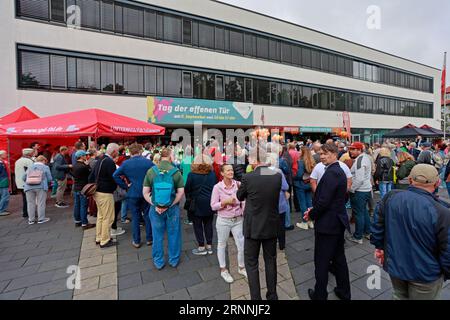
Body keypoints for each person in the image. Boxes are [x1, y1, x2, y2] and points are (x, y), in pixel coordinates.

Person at [371, 164, 450, 300]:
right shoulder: (442, 211)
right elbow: (447, 249)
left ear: (410, 180)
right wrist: (444, 272)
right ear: (437, 183)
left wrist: (379, 247)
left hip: (396, 264)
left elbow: (378, 225)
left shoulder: (390, 197)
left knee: (398, 295)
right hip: (425, 273)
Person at [304, 144, 351, 300]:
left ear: (334, 154)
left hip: (328, 225)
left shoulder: (332, 173)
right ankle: (344, 292)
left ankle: (320, 295)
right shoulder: (337, 171)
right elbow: (341, 197)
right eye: (321, 154)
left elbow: (323, 201)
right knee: (339, 259)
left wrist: (312, 214)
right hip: (336, 221)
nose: (322, 156)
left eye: (325, 154)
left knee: (322, 262)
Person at [237, 147, 281, 300]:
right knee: (270, 260)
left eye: (249, 158)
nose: (248, 160)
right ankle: (272, 295)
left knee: (251, 263)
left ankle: (256, 299)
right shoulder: (276, 175)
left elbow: (240, 197)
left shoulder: (248, 177)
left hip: (253, 226)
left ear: (255, 160)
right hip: (270, 224)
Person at [143, 148, 184, 270]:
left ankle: (158, 261)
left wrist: (156, 205)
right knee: (174, 234)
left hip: (155, 210)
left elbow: (145, 192)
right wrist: (169, 205)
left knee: (157, 235)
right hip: (172, 209)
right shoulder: (176, 172)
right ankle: (174, 259)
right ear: (171, 157)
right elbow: (180, 192)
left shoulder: (151, 171)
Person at [211, 164, 247, 283]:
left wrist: (242, 211)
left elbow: (243, 200)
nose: (231, 172)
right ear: (222, 173)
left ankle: (241, 267)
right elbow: (213, 206)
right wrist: (224, 202)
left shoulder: (238, 184)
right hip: (223, 220)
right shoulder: (217, 187)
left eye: (231, 170)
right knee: (222, 244)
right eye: (228, 170)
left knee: (241, 245)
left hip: (237, 220)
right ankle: (223, 270)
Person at [114, 143, 154, 248]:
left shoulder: (126, 163)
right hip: (146, 192)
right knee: (147, 215)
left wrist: (125, 186)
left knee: (135, 217)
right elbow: (157, 173)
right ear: (140, 151)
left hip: (132, 193)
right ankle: (149, 239)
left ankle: (136, 241)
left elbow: (115, 175)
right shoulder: (148, 162)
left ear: (130, 152)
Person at [185, 154, 217, 255]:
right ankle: (209, 245)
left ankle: (201, 246)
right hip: (209, 202)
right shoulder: (212, 174)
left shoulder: (191, 175)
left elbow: (187, 189)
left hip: (196, 203)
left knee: (197, 225)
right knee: (209, 224)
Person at [89, 143, 119, 248]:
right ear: (114, 151)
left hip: (97, 191)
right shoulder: (109, 162)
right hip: (105, 192)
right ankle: (105, 240)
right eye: (118, 151)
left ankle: (99, 237)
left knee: (101, 216)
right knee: (108, 218)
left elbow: (91, 176)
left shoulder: (100, 159)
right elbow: (114, 177)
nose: (118, 153)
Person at [347, 142, 373, 244]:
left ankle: (358, 237)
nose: (351, 151)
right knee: (364, 212)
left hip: (360, 191)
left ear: (359, 150)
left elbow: (359, 179)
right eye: (350, 149)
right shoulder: (365, 157)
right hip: (365, 189)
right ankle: (367, 232)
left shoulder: (360, 160)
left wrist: (351, 189)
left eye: (353, 149)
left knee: (359, 214)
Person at [23, 156, 53, 224]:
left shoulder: (30, 167)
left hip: (29, 187)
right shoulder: (45, 167)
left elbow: (24, 177)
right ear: (43, 160)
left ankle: (31, 220)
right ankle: (41, 219)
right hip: (41, 187)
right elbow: (49, 179)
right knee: (41, 203)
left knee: (30, 203)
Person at [72, 150, 95, 230]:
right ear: (81, 156)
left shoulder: (74, 165)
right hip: (83, 188)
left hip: (76, 188)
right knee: (83, 206)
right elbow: (91, 173)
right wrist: (88, 165)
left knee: (77, 205)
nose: (86, 156)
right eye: (85, 155)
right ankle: (84, 223)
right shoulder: (83, 166)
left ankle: (77, 221)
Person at [294, 146, 315, 230]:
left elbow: (299, 175)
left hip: (300, 185)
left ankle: (305, 222)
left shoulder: (300, 162)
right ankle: (310, 221)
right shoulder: (312, 161)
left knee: (302, 203)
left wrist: (294, 177)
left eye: (299, 151)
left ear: (302, 152)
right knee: (309, 203)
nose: (298, 152)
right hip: (309, 184)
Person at [15, 148, 35, 218]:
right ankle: (28, 213)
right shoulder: (29, 161)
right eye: (32, 152)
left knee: (25, 199)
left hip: (20, 182)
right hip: (27, 182)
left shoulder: (18, 160)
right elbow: (32, 171)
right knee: (29, 199)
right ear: (30, 154)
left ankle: (25, 213)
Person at [0, 151, 10, 216]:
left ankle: (2, 209)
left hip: (3, 180)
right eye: (5, 154)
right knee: (5, 196)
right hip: (2, 181)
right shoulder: (1, 163)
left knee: (2, 196)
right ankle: (1, 210)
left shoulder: (2, 162)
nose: (6, 155)